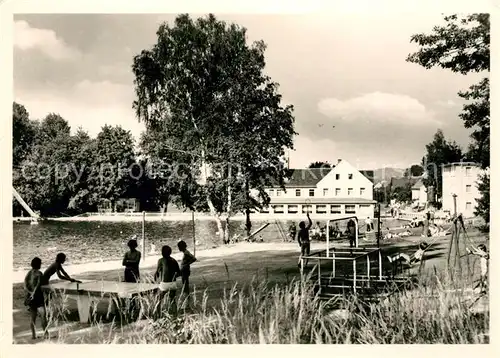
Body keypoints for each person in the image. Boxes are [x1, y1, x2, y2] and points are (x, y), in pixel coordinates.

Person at [24, 257, 48, 340]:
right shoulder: (39, 273)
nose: (41, 264)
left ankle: (33, 336)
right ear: (38, 264)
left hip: (30, 297)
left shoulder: (29, 273)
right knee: (43, 316)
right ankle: (46, 334)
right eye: (40, 263)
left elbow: (25, 286)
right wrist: (34, 293)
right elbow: (39, 285)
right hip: (38, 297)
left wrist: (30, 294)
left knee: (33, 317)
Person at [154, 245, 181, 315]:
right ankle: (174, 313)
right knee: (172, 299)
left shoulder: (160, 260)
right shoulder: (174, 260)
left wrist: (156, 279)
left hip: (164, 284)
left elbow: (157, 273)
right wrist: (173, 277)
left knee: (158, 299)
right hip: (173, 283)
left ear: (162, 253)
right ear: (170, 253)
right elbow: (179, 273)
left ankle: (157, 313)